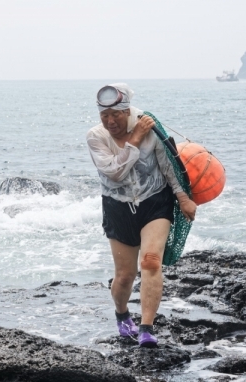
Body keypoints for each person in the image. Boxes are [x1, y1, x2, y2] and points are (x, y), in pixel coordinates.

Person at [86, 83, 196, 347]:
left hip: (154, 202)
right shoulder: (95, 136)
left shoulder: (150, 127)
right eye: (105, 116)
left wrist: (182, 197)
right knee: (125, 275)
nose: (110, 121)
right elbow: (115, 172)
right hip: (117, 207)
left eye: (116, 115)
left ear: (127, 111)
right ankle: (122, 314)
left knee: (150, 262)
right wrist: (134, 139)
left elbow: (168, 164)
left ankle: (147, 327)